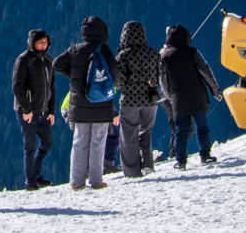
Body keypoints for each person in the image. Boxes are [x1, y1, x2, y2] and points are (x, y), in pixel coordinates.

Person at [53, 16, 119, 191]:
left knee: (79, 142)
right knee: (98, 142)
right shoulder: (104, 50)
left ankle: (76, 181)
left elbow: (56, 64)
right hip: (101, 103)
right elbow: (115, 72)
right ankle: (96, 180)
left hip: (79, 104)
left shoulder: (75, 50)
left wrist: (74, 75)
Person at [159, 24, 220, 169]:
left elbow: (162, 80)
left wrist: (170, 96)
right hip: (197, 95)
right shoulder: (192, 52)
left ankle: (181, 161)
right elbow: (206, 71)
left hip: (178, 98)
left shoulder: (164, 56)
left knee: (181, 130)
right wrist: (215, 90)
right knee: (202, 127)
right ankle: (205, 155)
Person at [115, 21, 162, 178]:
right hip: (150, 99)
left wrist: (127, 86)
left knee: (129, 135)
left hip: (129, 101)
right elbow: (158, 76)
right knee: (146, 132)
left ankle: (131, 171)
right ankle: (148, 164)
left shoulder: (123, 55)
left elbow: (118, 80)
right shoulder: (153, 53)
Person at [11, 30, 57, 190]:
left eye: (45, 42)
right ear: (33, 43)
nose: (43, 45)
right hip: (27, 112)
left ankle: (36, 174)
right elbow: (17, 87)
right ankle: (30, 181)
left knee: (48, 142)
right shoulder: (24, 60)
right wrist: (26, 109)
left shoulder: (48, 60)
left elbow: (51, 87)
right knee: (30, 145)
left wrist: (51, 111)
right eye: (40, 42)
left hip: (43, 111)